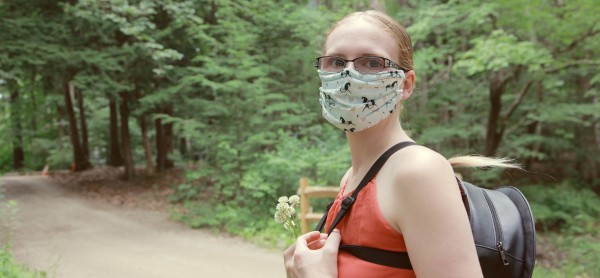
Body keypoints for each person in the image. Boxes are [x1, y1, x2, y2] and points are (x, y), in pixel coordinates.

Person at [283, 10, 517, 278]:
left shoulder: (418, 173)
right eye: (336, 61)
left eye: (371, 63)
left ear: (405, 85)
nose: (348, 74)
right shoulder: (352, 178)